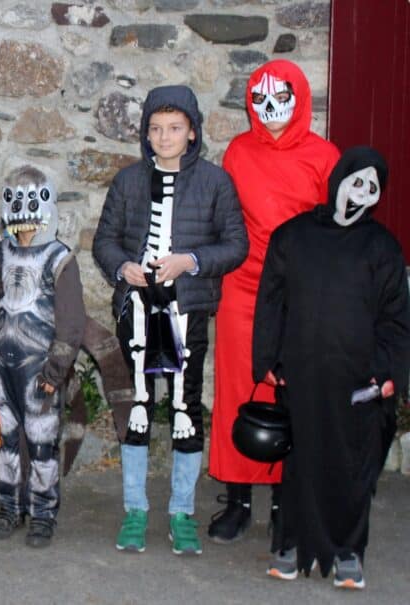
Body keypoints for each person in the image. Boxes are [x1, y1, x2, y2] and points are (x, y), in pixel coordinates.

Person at [93, 85, 248, 556]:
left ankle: (182, 510)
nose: (164, 137)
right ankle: (135, 509)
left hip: (189, 310)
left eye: (174, 128)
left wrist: (192, 260)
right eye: (156, 129)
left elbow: (235, 245)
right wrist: (123, 267)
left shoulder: (216, 184)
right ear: (146, 133)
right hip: (137, 310)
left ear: (192, 132)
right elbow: (106, 241)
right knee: (137, 407)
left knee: (186, 410)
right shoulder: (127, 182)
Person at [253, 147, 410, 588]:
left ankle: (348, 551)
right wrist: (267, 359)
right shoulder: (293, 236)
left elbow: (396, 318)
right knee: (300, 460)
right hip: (301, 372)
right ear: (338, 180)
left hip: (358, 379)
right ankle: (290, 545)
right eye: (355, 181)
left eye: (371, 187)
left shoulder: (382, 247)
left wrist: (389, 372)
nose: (361, 193)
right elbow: (271, 302)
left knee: (351, 464)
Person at [209, 59, 341, 543]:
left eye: (280, 99)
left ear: (299, 97)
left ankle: (289, 502)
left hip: (301, 289)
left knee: (296, 391)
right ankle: (239, 499)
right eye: (259, 101)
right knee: (238, 389)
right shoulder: (238, 152)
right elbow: (223, 220)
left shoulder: (326, 157)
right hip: (242, 287)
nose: (269, 110)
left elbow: (336, 230)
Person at [0, 165, 82, 547]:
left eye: (31, 196)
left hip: (40, 369)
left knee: (41, 445)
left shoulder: (59, 258)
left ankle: (42, 513)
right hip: (5, 366)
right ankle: (8, 507)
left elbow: (71, 321)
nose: (23, 206)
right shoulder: (0, 254)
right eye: (14, 197)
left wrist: (56, 369)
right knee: (7, 442)